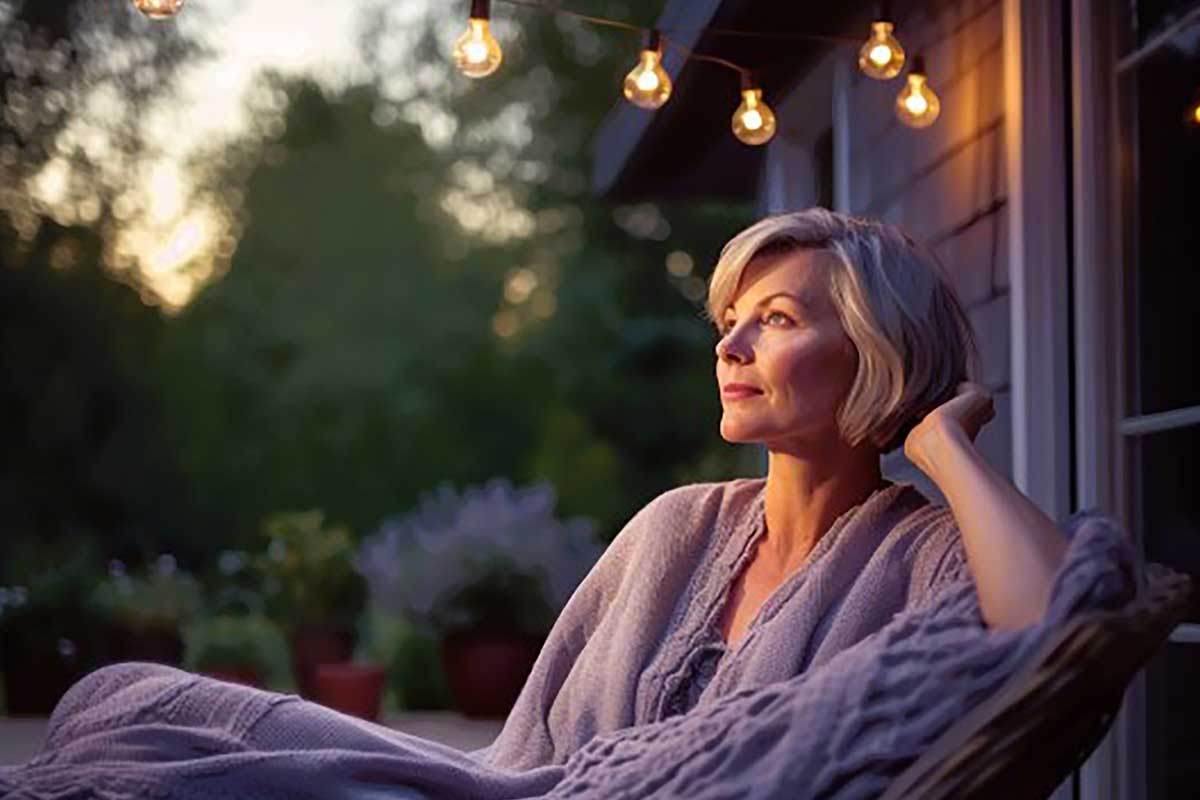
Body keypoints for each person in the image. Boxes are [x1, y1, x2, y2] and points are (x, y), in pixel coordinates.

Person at [1, 208, 1126, 800]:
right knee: (122, 691)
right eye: (729, 318)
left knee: (152, 746)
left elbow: (1052, 624)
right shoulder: (676, 524)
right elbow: (515, 757)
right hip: (513, 791)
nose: (729, 343)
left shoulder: (923, 551)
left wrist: (941, 442)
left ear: (878, 350)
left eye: (777, 318)